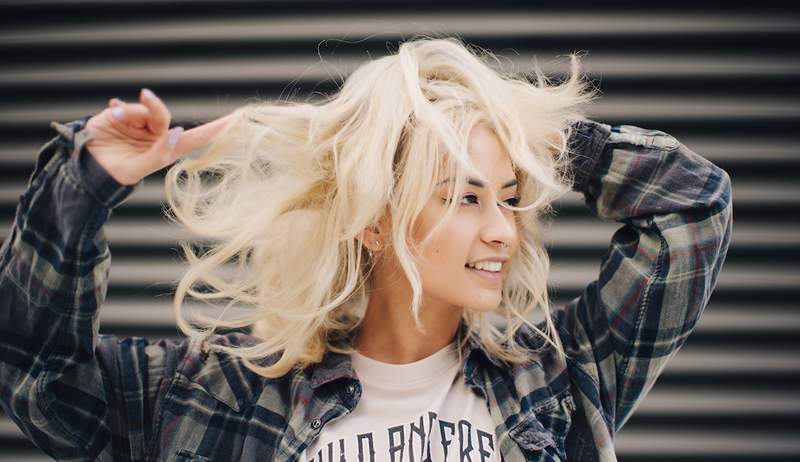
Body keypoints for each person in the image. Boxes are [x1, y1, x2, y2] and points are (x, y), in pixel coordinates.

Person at [0, 38, 732, 462]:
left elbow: (694, 208)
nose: (503, 231)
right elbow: (37, 378)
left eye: (510, 197)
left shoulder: (560, 381)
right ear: (374, 222)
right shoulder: (216, 393)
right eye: (465, 197)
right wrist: (85, 185)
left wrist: (547, 138)